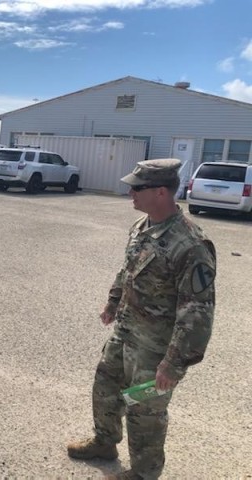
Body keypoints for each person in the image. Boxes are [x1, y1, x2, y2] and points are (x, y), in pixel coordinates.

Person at [67, 159, 216, 480]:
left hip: (156, 347)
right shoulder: (142, 226)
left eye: (138, 187)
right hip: (126, 331)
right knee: (105, 385)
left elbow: (198, 312)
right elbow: (129, 269)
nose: (130, 192)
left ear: (161, 192)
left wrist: (174, 364)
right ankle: (105, 442)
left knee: (145, 410)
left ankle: (145, 473)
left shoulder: (190, 244)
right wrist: (112, 302)